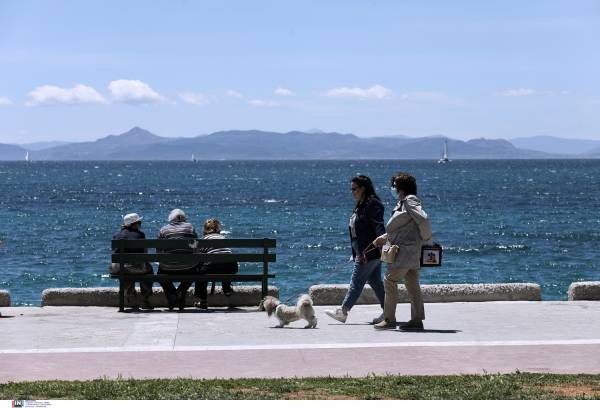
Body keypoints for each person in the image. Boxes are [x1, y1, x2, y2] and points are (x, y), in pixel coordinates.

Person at [373, 172, 432, 330]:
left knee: (389, 280)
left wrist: (427, 240)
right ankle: (417, 320)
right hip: (409, 251)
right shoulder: (403, 203)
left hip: (405, 252)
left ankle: (389, 318)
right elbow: (404, 228)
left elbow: (424, 219)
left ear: (401, 189)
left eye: (394, 186)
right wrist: (384, 238)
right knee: (412, 283)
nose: (392, 189)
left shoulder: (409, 201)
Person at [325, 175, 386, 324]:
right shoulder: (361, 204)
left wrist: (381, 240)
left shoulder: (373, 203)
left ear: (363, 188)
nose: (352, 192)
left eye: (354, 189)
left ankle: (343, 311)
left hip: (369, 252)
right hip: (363, 252)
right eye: (351, 189)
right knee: (376, 282)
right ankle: (389, 312)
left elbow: (378, 225)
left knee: (356, 281)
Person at [179, 218, 238, 309]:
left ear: (205, 229)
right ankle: (226, 289)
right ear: (218, 229)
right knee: (224, 264)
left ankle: (203, 301)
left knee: (200, 271)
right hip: (232, 267)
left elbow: (196, 250)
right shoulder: (223, 237)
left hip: (213, 266)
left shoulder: (205, 239)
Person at [110, 213, 154, 310]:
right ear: (134, 224)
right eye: (139, 222)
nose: (140, 224)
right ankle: (145, 298)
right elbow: (145, 255)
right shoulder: (140, 235)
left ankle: (130, 298)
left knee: (126, 269)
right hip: (133, 268)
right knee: (148, 269)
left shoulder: (117, 235)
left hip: (117, 268)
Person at [157, 209, 199, 310]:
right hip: (188, 268)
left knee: (159, 274)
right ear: (183, 218)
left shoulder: (163, 230)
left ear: (171, 219)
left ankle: (172, 294)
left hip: (168, 268)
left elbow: (159, 252)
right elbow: (195, 247)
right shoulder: (190, 228)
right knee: (194, 270)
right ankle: (181, 290)